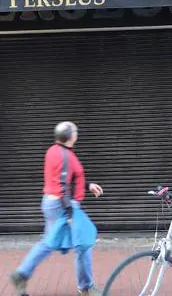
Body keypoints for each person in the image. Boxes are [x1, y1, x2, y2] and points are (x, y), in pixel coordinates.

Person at [10, 121, 104, 296]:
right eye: (75, 132)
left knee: (48, 242)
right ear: (71, 137)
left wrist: (87, 185)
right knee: (83, 243)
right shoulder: (65, 156)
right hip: (64, 205)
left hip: (50, 202)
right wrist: (69, 213)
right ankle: (86, 287)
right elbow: (62, 184)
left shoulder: (54, 151)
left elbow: (66, 178)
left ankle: (21, 274)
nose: (77, 134)